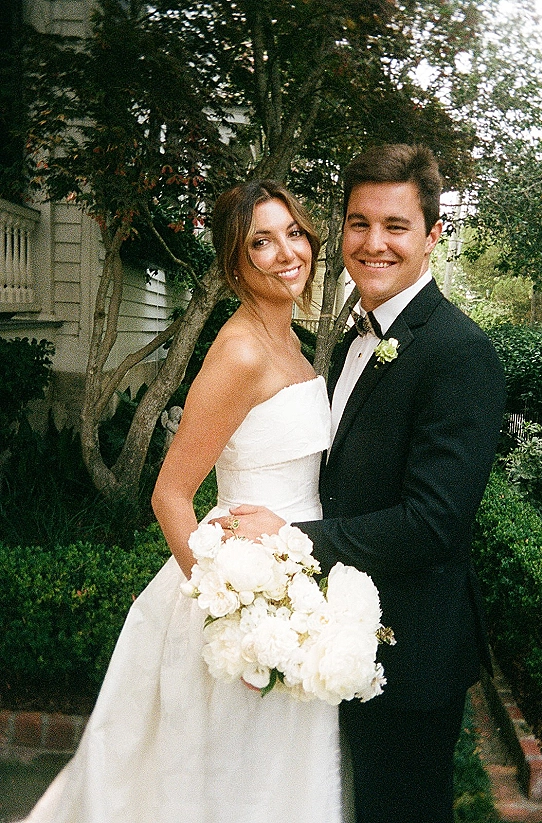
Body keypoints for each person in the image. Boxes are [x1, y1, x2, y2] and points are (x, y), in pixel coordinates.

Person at [20, 179, 345, 823]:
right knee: (223, 783)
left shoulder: (294, 344)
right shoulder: (239, 352)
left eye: (293, 233)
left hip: (298, 580)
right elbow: (170, 495)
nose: (287, 253)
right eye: (261, 242)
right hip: (240, 592)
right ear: (234, 263)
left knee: (278, 778)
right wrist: (233, 616)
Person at [216, 144, 506, 823]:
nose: (374, 242)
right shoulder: (357, 339)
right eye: (358, 222)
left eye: (396, 225)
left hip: (409, 660)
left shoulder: (460, 353)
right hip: (339, 642)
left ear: (433, 235)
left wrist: (290, 538)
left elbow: (433, 523)